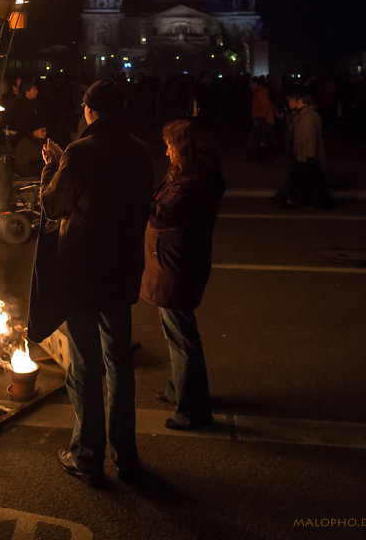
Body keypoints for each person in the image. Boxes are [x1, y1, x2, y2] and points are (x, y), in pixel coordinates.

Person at [29, 78, 152, 485]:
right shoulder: (138, 150)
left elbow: (53, 204)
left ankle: (88, 454)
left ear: (90, 110)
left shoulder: (81, 152)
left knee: (85, 365)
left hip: (82, 271)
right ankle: (127, 456)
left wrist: (52, 165)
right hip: (122, 269)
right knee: (118, 362)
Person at [141, 119, 224, 430]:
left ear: (184, 148)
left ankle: (192, 409)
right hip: (173, 264)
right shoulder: (188, 176)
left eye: (170, 145)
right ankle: (179, 389)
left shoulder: (191, 184)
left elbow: (161, 215)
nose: (166, 151)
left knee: (182, 337)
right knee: (177, 333)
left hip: (176, 268)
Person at [275, 91, 332, 209]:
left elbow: (310, 136)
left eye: (292, 101)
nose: (290, 103)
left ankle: (294, 199)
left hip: (306, 153)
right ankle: (317, 200)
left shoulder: (308, 116)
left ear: (301, 102)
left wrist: (310, 154)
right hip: (304, 152)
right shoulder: (302, 114)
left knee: (306, 177)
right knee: (313, 177)